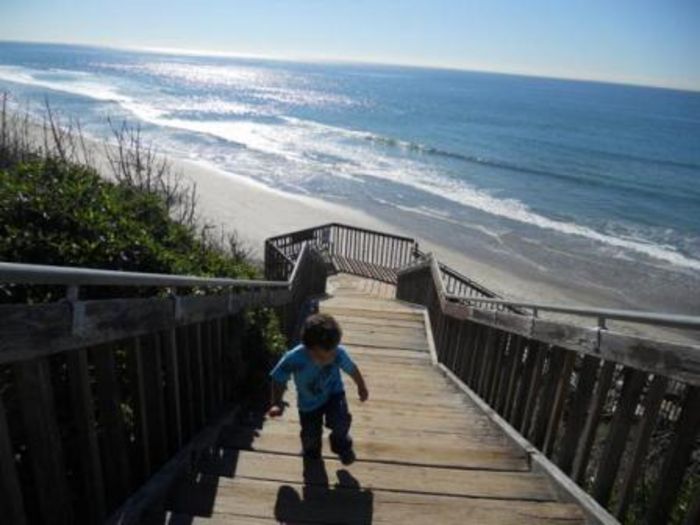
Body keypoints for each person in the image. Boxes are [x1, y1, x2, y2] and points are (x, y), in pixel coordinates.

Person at [267, 313, 369, 465]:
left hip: (334, 393)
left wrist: (361, 386)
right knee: (310, 434)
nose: (330, 357)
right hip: (308, 403)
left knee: (341, 420)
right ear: (309, 349)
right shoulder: (294, 358)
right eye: (323, 356)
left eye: (333, 351)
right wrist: (277, 402)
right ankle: (311, 453)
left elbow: (352, 369)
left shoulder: (337, 352)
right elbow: (278, 378)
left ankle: (341, 446)